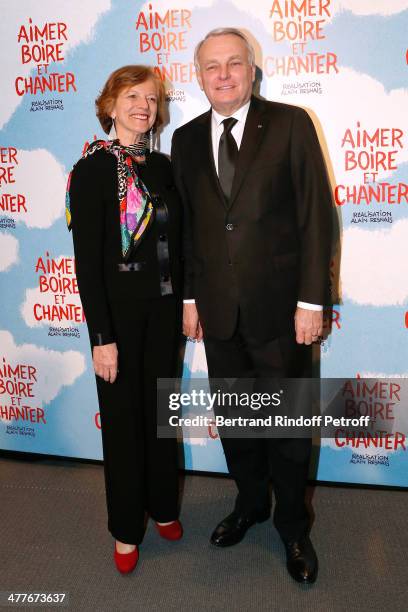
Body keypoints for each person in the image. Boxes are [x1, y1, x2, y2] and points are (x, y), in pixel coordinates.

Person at [171, 29, 333, 584]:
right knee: (238, 420)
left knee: (287, 424)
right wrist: (191, 297)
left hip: (283, 312)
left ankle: (292, 525)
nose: (223, 74)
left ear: (252, 69)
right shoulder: (186, 139)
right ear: (199, 76)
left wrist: (312, 300)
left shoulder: (290, 123)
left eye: (233, 63)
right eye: (211, 66)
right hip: (218, 311)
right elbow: (190, 226)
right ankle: (249, 504)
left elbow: (317, 217)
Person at [66, 65, 183, 574]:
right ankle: (125, 529)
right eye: (132, 97)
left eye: (151, 99)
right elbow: (88, 264)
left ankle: (162, 507)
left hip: (164, 314)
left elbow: (178, 245)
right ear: (110, 106)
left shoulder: (163, 167)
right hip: (117, 319)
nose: (143, 106)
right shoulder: (91, 170)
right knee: (121, 423)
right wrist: (101, 337)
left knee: (160, 418)